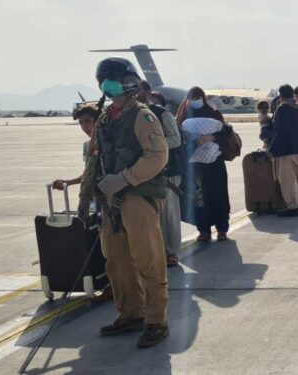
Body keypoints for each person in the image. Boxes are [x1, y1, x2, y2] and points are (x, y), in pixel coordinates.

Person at [79, 57, 169, 347]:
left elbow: (157, 156)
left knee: (148, 261)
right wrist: (84, 196)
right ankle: (131, 313)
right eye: (104, 80)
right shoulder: (104, 118)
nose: (107, 84)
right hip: (109, 202)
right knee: (116, 262)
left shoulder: (143, 116)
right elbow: (94, 159)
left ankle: (156, 321)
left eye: (113, 78)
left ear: (128, 82)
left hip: (138, 198)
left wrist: (125, 178)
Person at [137, 81, 183, 267]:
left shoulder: (162, 114)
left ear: (147, 92)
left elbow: (175, 139)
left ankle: (171, 251)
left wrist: (154, 146)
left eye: (137, 89)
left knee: (168, 213)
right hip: (143, 172)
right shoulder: (131, 115)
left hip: (167, 172)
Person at [177, 87, 231, 241]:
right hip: (195, 166)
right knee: (198, 198)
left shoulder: (214, 113)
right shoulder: (184, 116)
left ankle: (222, 229)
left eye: (197, 97)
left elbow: (226, 136)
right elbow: (180, 137)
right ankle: (204, 230)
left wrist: (211, 137)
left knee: (218, 195)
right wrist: (194, 139)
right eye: (192, 98)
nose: (195, 100)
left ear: (203, 97)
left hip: (214, 164)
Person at [270, 84, 298, 217]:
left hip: (286, 150)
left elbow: (279, 131)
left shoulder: (281, 109)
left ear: (281, 96)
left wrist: (272, 148)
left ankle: (292, 207)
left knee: (287, 181)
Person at [52, 105, 99, 189]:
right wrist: (67, 182)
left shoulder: (107, 143)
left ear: (97, 121)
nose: (84, 126)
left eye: (87, 121)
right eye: (81, 122)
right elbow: (88, 174)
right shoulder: (87, 146)